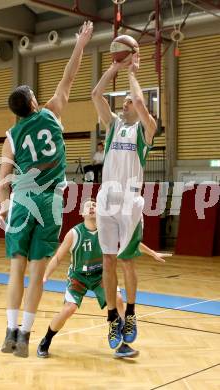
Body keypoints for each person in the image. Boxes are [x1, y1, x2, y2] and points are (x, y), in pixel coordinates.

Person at [0, 21, 93, 358]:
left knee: (16, 270)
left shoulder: (12, 135)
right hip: (50, 202)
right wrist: (80, 44)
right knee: (37, 273)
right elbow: (69, 76)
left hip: (23, 202)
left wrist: (5, 203)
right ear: (34, 102)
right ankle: (24, 336)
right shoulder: (52, 113)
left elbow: (3, 177)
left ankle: (8, 332)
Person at [36, 199, 170, 359]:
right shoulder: (74, 233)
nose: (92, 207)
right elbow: (58, 257)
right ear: (82, 213)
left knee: (119, 299)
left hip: (101, 275)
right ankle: (46, 340)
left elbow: (131, 243)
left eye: (94, 205)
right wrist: (45, 275)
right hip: (78, 277)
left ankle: (123, 345)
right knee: (69, 309)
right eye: (88, 206)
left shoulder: (107, 230)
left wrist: (153, 253)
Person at [91, 52, 158, 350]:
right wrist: (113, 67)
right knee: (107, 259)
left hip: (131, 202)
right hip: (106, 197)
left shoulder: (145, 129)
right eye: (125, 100)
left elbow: (141, 103)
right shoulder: (114, 125)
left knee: (127, 261)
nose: (126, 102)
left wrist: (132, 71)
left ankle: (130, 313)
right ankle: (111, 318)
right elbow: (96, 93)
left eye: (128, 100)